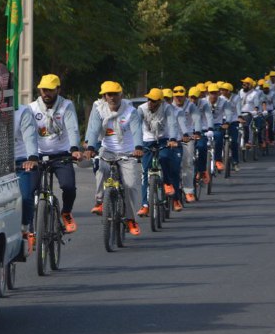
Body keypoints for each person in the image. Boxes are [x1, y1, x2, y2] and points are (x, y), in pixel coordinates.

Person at [83, 81, 143, 236]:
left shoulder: (130, 111)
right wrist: (91, 148)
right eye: (109, 94)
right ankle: (100, 201)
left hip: (127, 152)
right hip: (107, 150)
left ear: (121, 95)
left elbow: (137, 131)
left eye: (115, 94)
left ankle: (131, 219)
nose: (112, 97)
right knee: (101, 169)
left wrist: (138, 148)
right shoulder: (99, 110)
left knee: (130, 185)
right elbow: (94, 129)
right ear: (104, 96)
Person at [29, 74, 82, 233]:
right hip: (37, 156)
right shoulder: (32, 108)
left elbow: (72, 128)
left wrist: (74, 149)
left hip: (62, 155)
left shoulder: (66, 106)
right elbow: (27, 133)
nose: (46, 93)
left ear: (58, 90)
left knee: (69, 186)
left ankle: (66, 213)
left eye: (50, 90)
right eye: (44, 90)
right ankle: (30, 228)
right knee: (29, 190)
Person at [137, 87, 181, 215]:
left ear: (160, 101)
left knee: (165, 158)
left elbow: (172, 123)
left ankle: (167, 183)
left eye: (154, 101)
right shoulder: (141, 109)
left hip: (164, 139)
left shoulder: (167, 108)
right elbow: (135, 127)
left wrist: (173, 139)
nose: (151, 102)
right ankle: (145, 205)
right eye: (149, 99)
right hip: (147, 140)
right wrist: (136, 145)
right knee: (145, 172)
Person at [14, 105, 40, 249]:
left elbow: (29, 136)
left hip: (22, 161)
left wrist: (32, 158)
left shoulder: (22, 111)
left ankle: (26, 227)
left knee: (25, 197)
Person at [172, 85, 199, 202]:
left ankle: (188, 191)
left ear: (185, 96)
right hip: (172, 138)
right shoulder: (168, 106)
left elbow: (197, 119)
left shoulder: (191, 106)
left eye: (181, 96)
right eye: (176, 96)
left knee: (187, 163)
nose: (178, 98)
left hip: (187, 137)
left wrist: (197, 132)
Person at [206, 83, 236, 170]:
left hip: (217, 125)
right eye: (211, 93)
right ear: (208, 93)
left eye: (215, 93)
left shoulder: (224, 102)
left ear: (219, 93)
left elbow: (229, 113)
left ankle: (218, 160)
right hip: (205, 126)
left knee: (219, 137)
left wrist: (227, 122)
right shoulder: (204, 102)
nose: (213, 95)